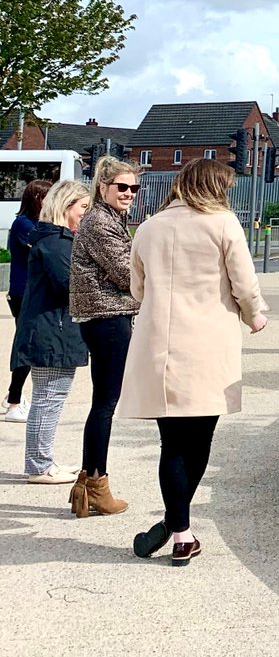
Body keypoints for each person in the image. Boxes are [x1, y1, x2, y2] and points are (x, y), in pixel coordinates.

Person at [118, 158, 268, 565]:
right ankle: (179, 529)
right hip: (206, 342)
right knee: (199, 440)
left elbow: (136, 289)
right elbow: (244, 282)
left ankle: (177, 527)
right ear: (216, 187)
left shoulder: (148, 227)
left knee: (171, 443)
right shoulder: (222, 223)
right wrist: (255, 314)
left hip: (159, 345)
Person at [69, 155, 142, 518]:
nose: (129, 193)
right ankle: (96, 484)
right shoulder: (101, 221)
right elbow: (127, 273)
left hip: (105, 316)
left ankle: (87, 483)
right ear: (104, 188)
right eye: (122, 187)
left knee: (103, 401)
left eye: (134, 188)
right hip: (107, 316)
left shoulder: (110, 219)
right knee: (105, 403)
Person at [12, 180, 91, 482]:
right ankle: (40, 466)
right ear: (66, 206)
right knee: (48, 398)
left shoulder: (52, 238)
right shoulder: (57, 242)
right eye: (83, 207)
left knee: (48, 398)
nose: (86, 213)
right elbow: (70, 285)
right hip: (51, 331)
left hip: (50, 329)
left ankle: (42, 461)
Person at [5, 178, 52, 423]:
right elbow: (46, 245)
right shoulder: (23, 224)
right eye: (48, 197)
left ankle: (14, 397)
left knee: (29, 344)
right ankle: (13, 402)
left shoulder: (35, 223)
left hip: (31, 291)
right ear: (37, 199)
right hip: (23, 292)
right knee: (26, 345)